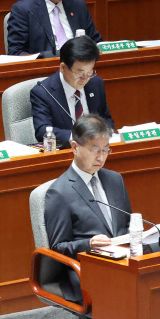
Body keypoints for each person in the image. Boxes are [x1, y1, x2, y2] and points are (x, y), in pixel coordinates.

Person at [43, 114, 131, 302]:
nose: (101, 157)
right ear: (75, 147)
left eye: (106, 150)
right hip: (87, 269)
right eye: (95, 150)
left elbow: (127, 224)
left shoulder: (115, 180)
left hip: (124, 263)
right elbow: (58, 248)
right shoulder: (59, 192)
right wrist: (89, 244)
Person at [30, 36, 113, 144]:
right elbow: (42, 131)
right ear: (63, 68)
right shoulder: (43, 92)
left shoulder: (95, 84)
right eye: (79, 73)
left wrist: (108, 130)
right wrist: (80, 138)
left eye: (89, 72)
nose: (85, 79)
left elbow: (105, 118)